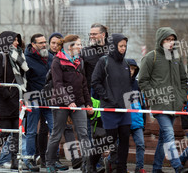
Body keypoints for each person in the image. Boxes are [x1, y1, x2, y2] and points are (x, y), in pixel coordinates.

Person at [138, 27, 188, 173]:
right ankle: (177, 166)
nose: (170, 43)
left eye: (172, 40)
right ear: (160, 41)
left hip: (174, 104)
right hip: (159, 105)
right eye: (167, 39)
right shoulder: (150, 57)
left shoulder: (176, 58)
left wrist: (181, 96)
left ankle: (156, 168)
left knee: (163, 138)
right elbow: (142, 81)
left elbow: (184, 80)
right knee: (169, 133)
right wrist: (153, 96)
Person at [45, 34, 93, 173]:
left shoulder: (80, 61)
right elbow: (57, 84)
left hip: (79, 103)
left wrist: (88, 103)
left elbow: (84, 84)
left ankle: (87, 165)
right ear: (69, 46)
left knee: (83, 134)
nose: (80, 47)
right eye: (78, 44)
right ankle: (50, 163)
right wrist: (68, 101)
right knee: (57, 134)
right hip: (61, 102)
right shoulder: (57, 60)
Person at [91, 34, 132, 173]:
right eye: (120, 46)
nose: (123, 48)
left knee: (125, 138)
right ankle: (91, 163)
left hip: (125, 109)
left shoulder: (126, 63)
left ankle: (121, 168)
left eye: (125, 46)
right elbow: (95, 82)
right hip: (109, 109)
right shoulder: (104, 61)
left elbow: (127, 85)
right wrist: (107, 97)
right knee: (109, 139)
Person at [0, 31, 28, 170]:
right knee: (5, 132)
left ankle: (14, 160)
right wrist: (7, 94)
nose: (17, 43)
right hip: (3, 102)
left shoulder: (19, 57)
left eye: (18, 40)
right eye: (14, 40)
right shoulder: (0, 57)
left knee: (16, 133)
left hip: (16, 101)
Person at [24, 33, 53, 172]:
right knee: (31, 131)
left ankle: (52, 159)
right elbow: (23, 81)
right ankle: (29, 159)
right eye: (40, 43)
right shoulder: (26, 59)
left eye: (44, 42)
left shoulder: (50, 57)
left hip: (48, 98)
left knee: (54, 129)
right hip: (32, 97)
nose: (44, 44)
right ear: (33, 44)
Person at [126, 59, 146, 173]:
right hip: (125, 120)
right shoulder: (120, 82)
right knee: (123, 146)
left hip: (137, 120)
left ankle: (140, 167)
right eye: (129, 68)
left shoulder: (136, 84)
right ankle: (115, 163)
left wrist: (143, 120)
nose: (131, 71)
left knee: (141, 144)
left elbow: (142, 103)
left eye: (133, 69)